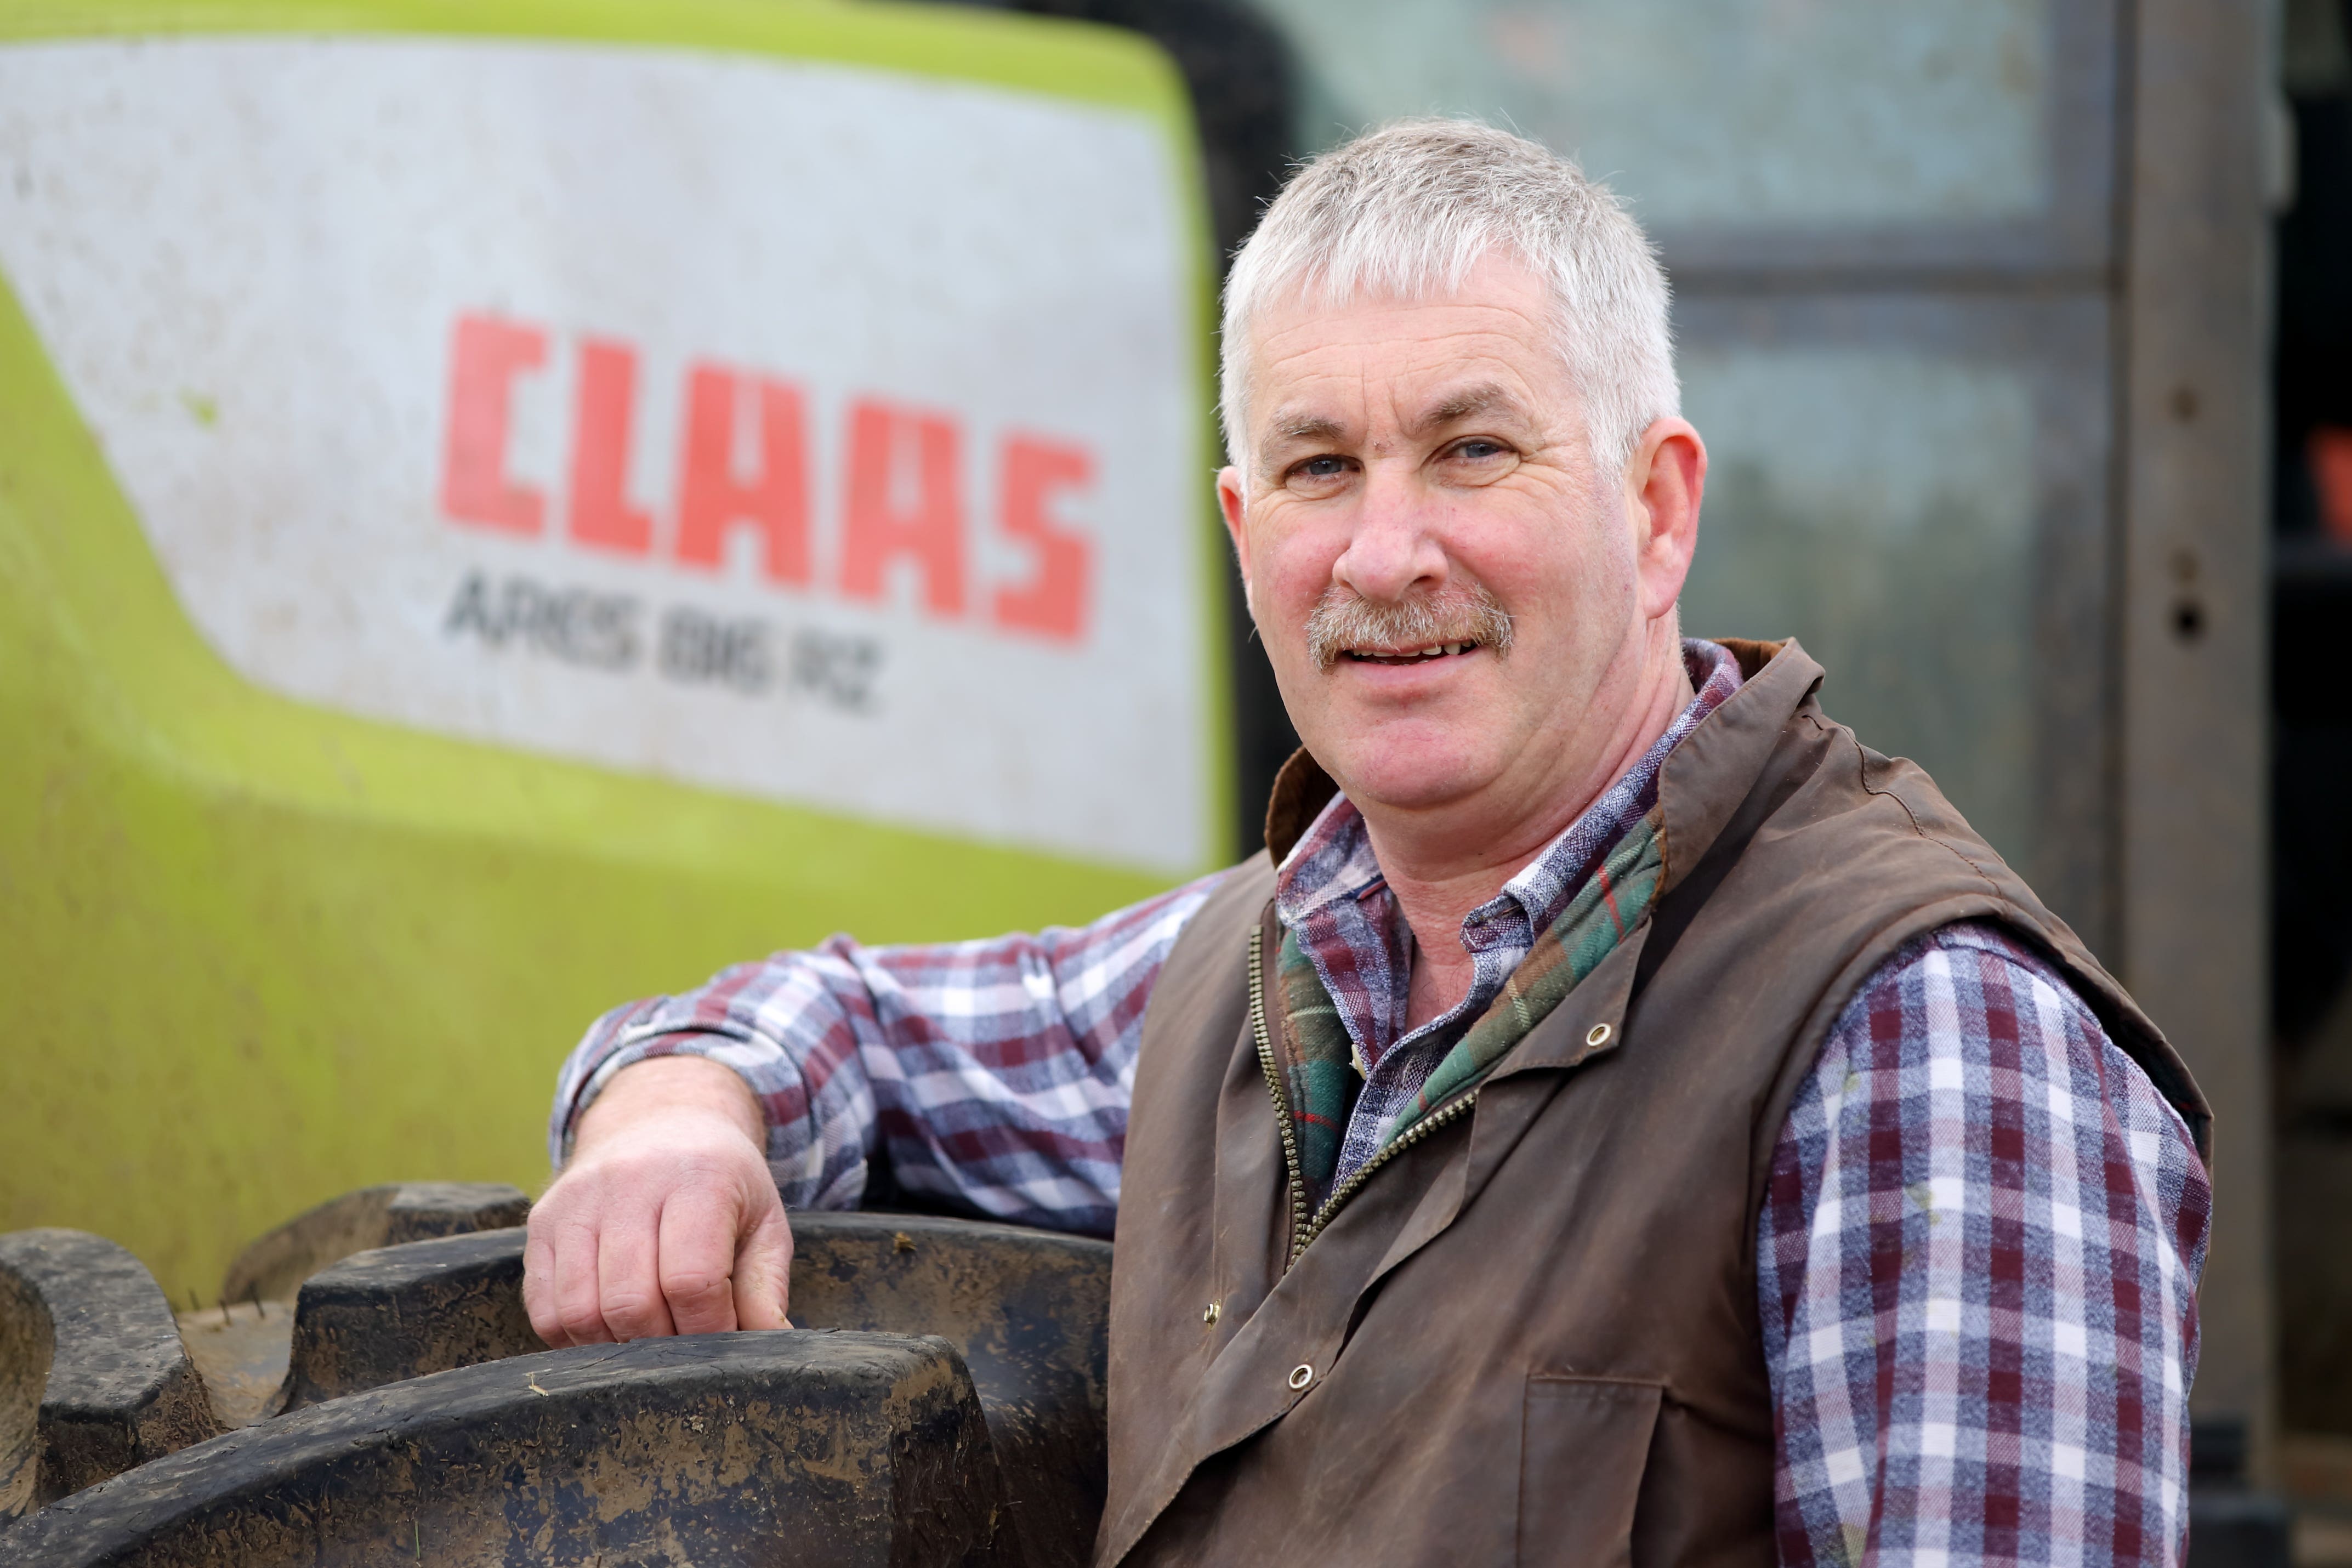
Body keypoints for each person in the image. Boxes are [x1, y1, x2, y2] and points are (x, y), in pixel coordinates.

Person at [525, 120, 2212, 1565]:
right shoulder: (1265, 970)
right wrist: (675, 1111)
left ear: (1656, 507)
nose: (1384, 553)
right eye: (1319, 467)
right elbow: (852, 1025)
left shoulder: (1927, 1041)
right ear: (1244, 532)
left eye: (1471, 449)